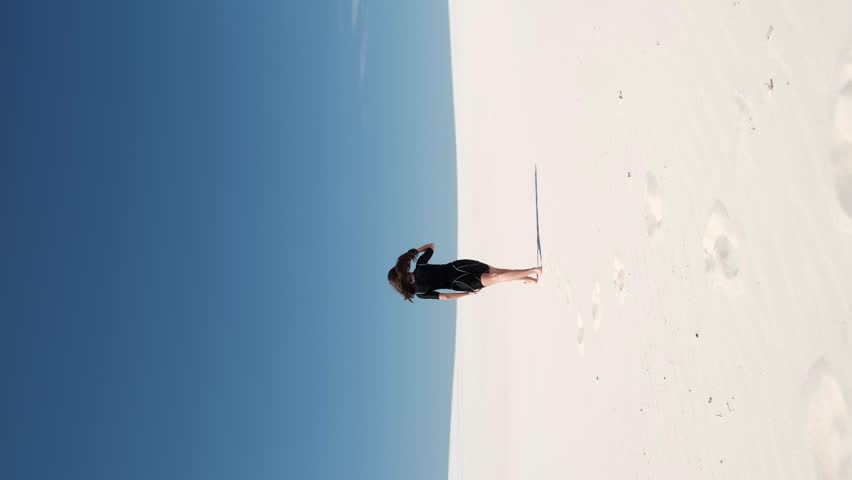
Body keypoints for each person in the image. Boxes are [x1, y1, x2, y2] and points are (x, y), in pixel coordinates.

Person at [387, 242, 542, 302]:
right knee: (497, 276)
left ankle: (530, 274)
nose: (408, 271)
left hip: (460, 279)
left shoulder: (420, 289)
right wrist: (413, 252)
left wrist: (466, 294)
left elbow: (446, 296)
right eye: (405, 272)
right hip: (460, 270)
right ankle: (531, 272)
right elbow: (431, 246)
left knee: (497, 274)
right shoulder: (420, 268)